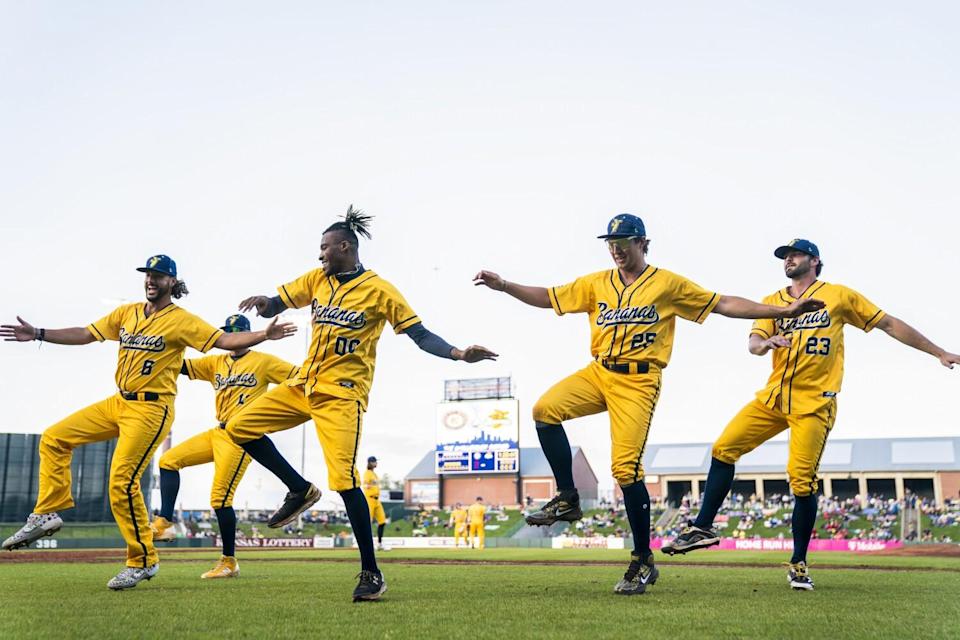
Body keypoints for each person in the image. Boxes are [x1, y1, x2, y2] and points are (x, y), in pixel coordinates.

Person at [474, 214, 825, 595]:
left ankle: (642, 560)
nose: (615, 247)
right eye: (610, 241)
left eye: (623, 240)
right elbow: (549, 297)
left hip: (638, 381)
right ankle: (567, 497)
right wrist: (505, 285)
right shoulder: (595, 283)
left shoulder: (666, 284)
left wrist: (782, 312)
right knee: (544, 409)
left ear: (643, 243)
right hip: (598, 372)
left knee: (625, 470)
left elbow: (721, 303)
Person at [225, 206, 497, 601]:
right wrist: (263, 304)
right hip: (303, 384)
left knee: (343, 481)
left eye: (325, 247)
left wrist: (458, 353)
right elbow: (277, 301)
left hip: (341, 395)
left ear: (345, 247)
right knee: (238, 427)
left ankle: (371, 572)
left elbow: (420, 336)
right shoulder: (317, 279)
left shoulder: (380, 290)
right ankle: (299, 490)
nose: (320, 254)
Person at [662, 238, 960, 590]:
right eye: (784, 256)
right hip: (773, 398)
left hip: (814, 402)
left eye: (795, 254)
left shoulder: (838, 295)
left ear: (815, 260)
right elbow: (754, 342)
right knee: (723, 448)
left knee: (800, 481)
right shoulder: (773, 301)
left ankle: (798, 563)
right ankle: (702, 527)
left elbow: (889, 324)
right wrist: (765, 344)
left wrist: (938, 351)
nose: (788, 259)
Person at [0, 255, 295, 590]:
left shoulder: (181, 320)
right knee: (54, 437)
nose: (151, 280)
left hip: (151, 409)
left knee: (121, 483)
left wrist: (263, 335)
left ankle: (142, 561)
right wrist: (38, 333)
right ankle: (47, 513)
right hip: (119, 401)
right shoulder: (126, 314)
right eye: (147, 275)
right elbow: (85, 334)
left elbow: (224, 341)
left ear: (172, 282)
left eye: (158, 275)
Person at [150, 313, 299, 579]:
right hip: (217, 432)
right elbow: (182, 366)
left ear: (247, 335)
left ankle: (229, 562)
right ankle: (164, 523)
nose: (230, 338)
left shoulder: (263, 361)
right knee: (168, 461)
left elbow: (299, 377)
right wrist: (162, 344)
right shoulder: (216, 361)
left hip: (242, 438)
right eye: (227, 334)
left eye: (235, 333)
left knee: (220, 499)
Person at [363, 455, 389, 551]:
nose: (376, 463)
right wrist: (368, 487)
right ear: (370, 463)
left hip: (377, 500)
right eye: (374, 462)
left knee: (382, 521)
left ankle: (379, 543)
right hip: (369, 499)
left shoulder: (374, 474)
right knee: (367, 523)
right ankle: (367, 545)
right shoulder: (367, 473)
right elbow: (366, 485)